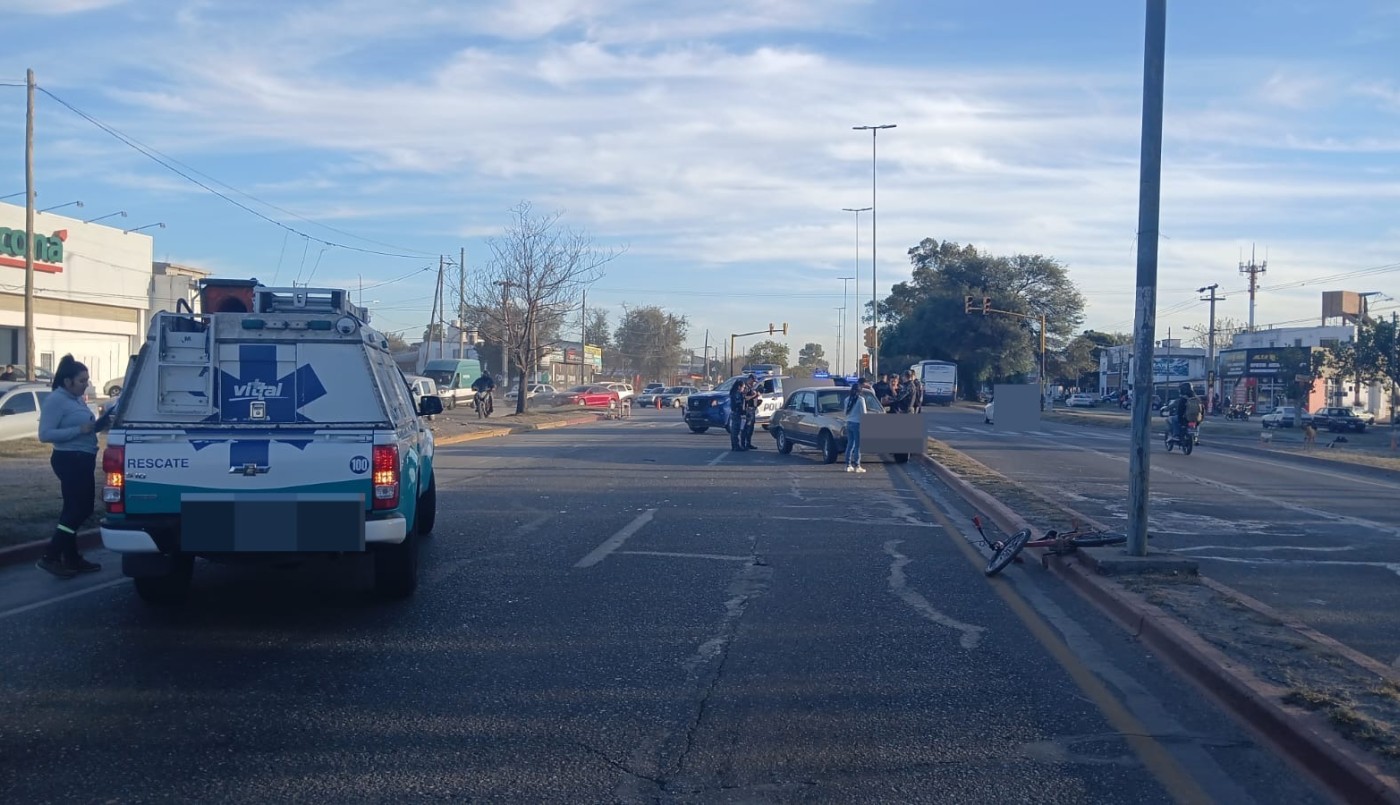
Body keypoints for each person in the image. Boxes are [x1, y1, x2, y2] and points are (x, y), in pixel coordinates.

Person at [35, 355, 107, 579]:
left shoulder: (75, 399)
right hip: (70, 459)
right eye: (82, 380)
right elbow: (45, 434)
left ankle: (72, 557)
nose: (87, 383)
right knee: (81, 509)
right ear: (68, 382)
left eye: (87, 379)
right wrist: (80, 431)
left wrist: (100, 425)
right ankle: (51, 555)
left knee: (72, 510)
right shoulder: (56, 400)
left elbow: (85, 427)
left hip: (82, 458)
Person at [844, 378, 869, 473]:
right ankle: (857, 465)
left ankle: (848, 465)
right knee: (858, 446)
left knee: (850, 444)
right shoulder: (860, 399)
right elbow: (864, 413)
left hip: (849, 422)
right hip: (857, 424)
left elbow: (845, 412)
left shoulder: (847, 399)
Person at [741, 374, 762, 450]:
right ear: (749, 379)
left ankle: (748, 443)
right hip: (747, 410)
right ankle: (743, 444)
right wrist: (754, 396)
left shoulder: (751, 387)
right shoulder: (745, 388)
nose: (754, 383)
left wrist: (756, 396)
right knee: (746, 427)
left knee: (751, 428)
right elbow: (745, 398)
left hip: (752, 409)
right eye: (753, 381)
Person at [728, 376, 748, 451]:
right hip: (736, 412)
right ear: (739, 387)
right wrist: (742, 411)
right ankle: (736, 446)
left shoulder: (733, 392)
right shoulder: (737, 394)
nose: (743, 389)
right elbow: (738, 404)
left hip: (734, 412)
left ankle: (734, 445)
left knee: (734, 430)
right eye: (743, 387)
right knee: (735, 430)